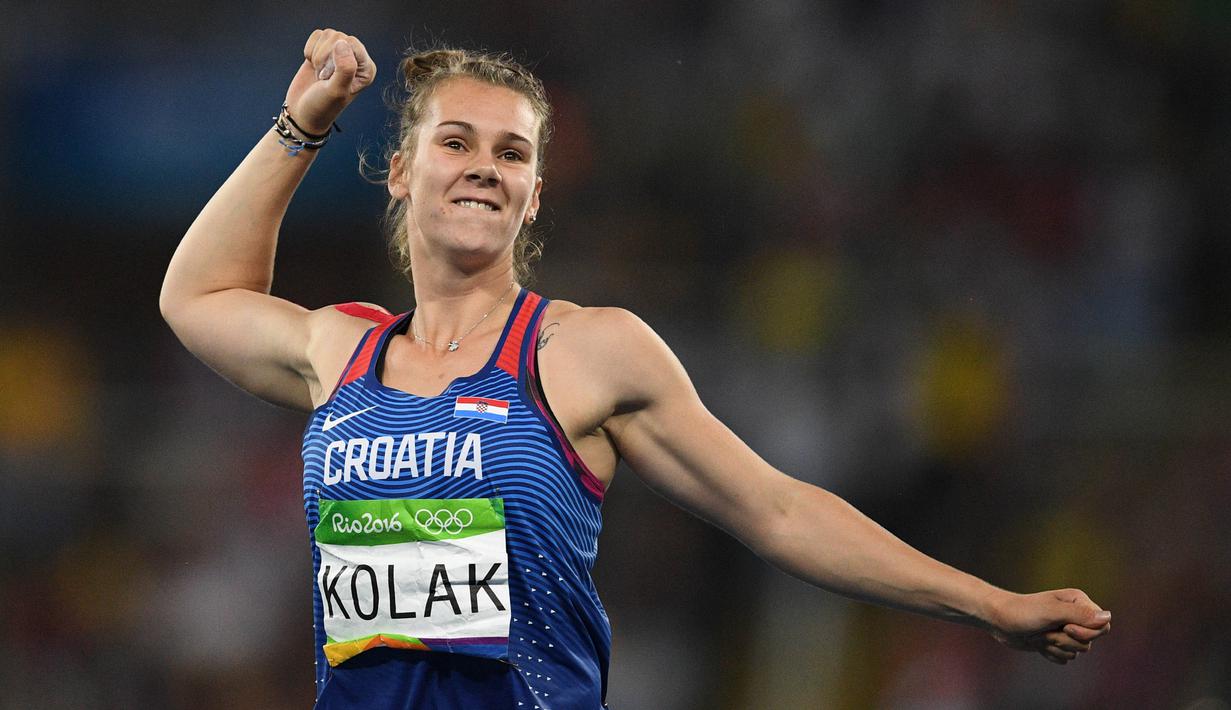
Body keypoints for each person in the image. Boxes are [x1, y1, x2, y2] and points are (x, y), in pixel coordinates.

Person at [160, 28, 1111, 709]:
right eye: (454, 142)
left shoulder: (582, 351)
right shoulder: (342, 348)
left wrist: (989, 604)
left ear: (533, 198)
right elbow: (194, 297)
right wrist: (300, 122)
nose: (484, 166)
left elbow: (774, 509)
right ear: (402, 171)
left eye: (512, 152)